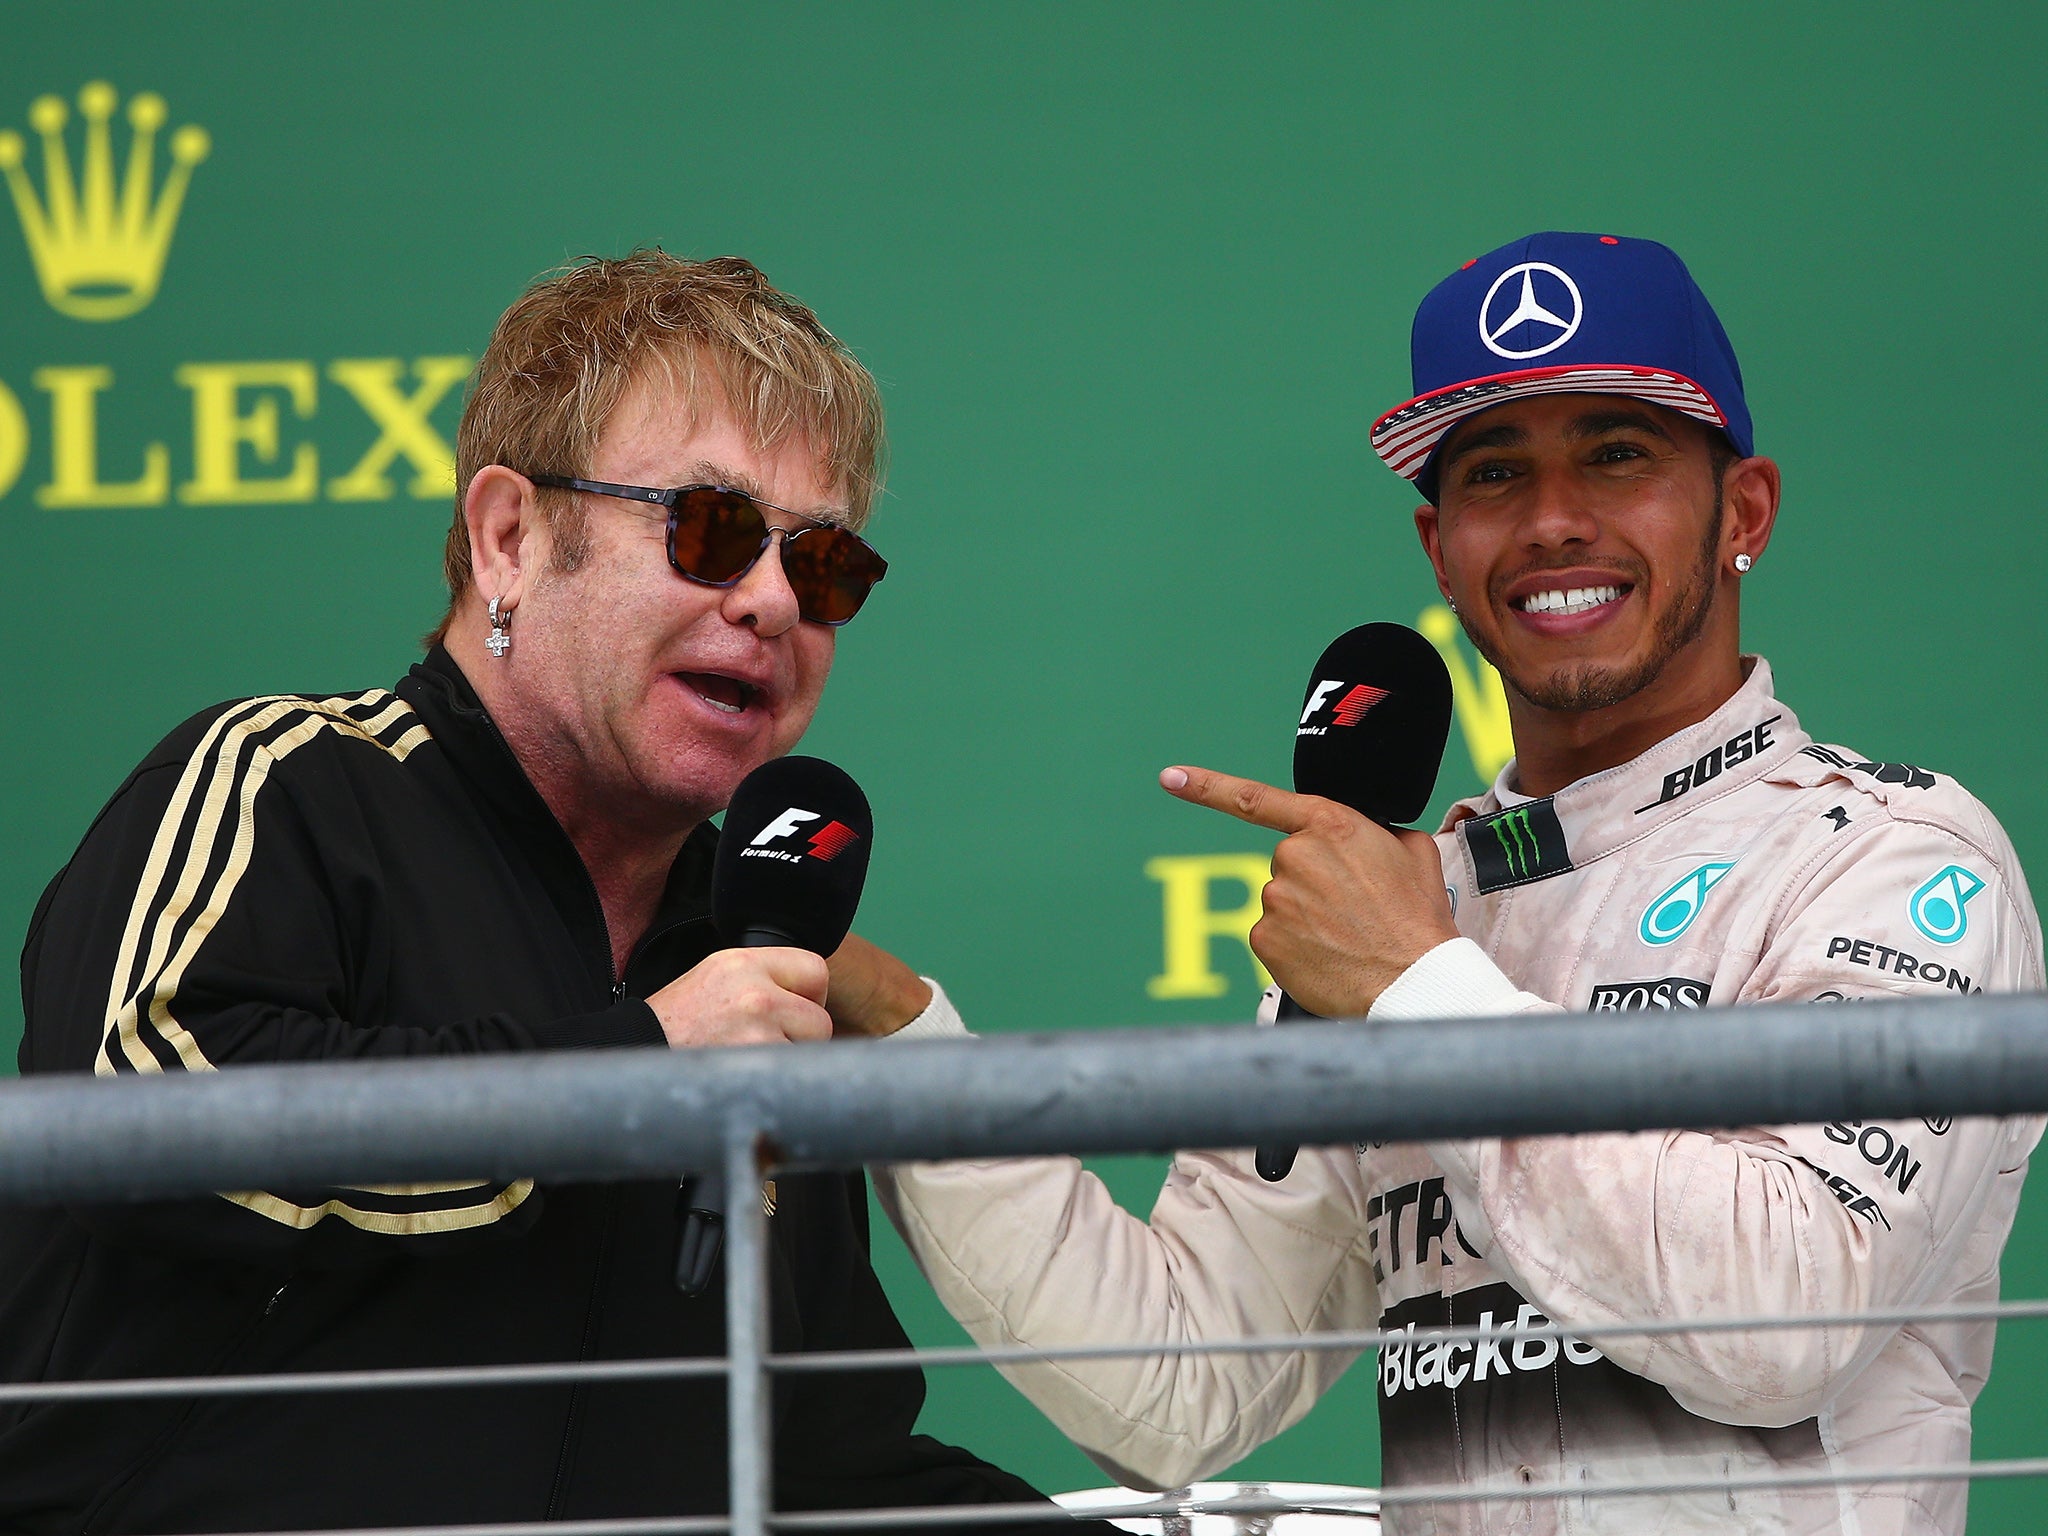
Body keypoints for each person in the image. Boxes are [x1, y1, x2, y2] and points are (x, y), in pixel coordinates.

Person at [844, 233, 2046, 1534]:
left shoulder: (1891, 858)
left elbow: (1779, 1323)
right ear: (1439, 546)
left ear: (1744, 510)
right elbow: (1182, 1381)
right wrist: (905, 1038)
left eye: (1618, 453)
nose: (1552, 520)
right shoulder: (1415, 904)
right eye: (1494, 473)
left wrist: (1417, 990)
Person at [1, 251, 1105, 1534]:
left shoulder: (743, 958)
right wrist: (636, 1074)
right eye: (710, 528)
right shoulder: (287, 784)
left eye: (824, 569)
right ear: (509, 539)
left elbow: (819, 1467)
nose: (766, 602)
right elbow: (146, 1132)